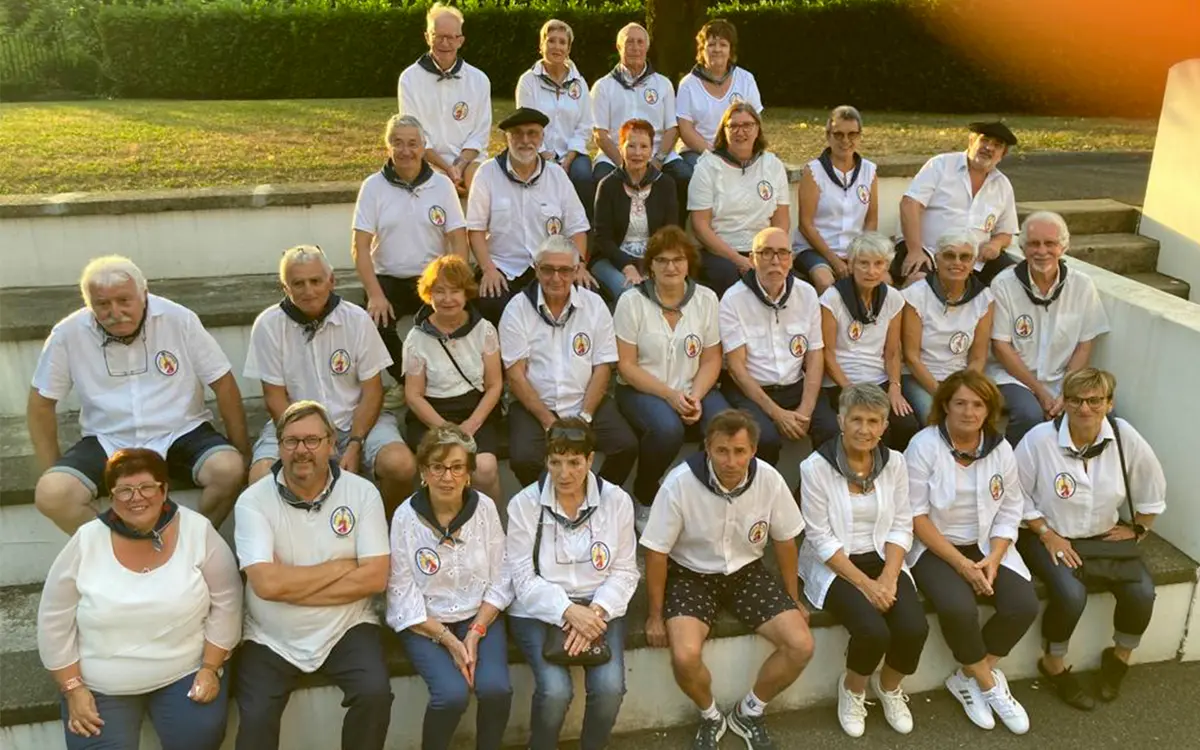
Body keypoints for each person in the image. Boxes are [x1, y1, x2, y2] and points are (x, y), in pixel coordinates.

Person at [37, 448, 242, 750]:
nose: (137, 497)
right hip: (101, 684)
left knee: (199, 737)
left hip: (184, 670)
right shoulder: (86, 540)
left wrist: (211, 668)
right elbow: (54, 618)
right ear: (111, 496)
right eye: (125, 490)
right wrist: (72, 687)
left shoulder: (197, 529)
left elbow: (227, 598)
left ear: (164, 490)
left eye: (147, 487)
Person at [28, 255, 248, 535]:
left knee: (229, 469)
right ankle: (122, 552)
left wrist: (243, 450)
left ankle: (186, 545)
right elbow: (40, 403)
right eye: (103, 304)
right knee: (52, 494)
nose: (115, 312)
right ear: (89, 303)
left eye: (124, 300)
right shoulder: (68, 333)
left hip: (181, 429)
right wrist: (52, 468)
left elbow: (223, 382)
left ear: (144, 294)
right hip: (108, 438)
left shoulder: (178, 319)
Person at [641, 409, 813, 750]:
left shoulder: (769, 479)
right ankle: (710, 716)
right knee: (685, 656)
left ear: (753, 450)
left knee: (801, 645)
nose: (731, 461)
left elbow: (784, 541)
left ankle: (749, 712)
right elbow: (656, 552)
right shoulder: (679, 482)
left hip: (747, 573)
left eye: (739, 451)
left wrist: (793, 597)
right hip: (691, 575)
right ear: (707, 448)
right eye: (722, 451)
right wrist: (655, 615)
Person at [234, 401, 393, 750]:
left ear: (331, 444)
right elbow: (265, 584)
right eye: (291, 441)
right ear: (279, 447)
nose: (301, 450)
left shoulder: (362, 493)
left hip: (346, 626)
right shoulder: (252, 501)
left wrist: (288, 584)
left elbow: (375, 579)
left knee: (375, 694)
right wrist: (339, 568)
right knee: (257, 716)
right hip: (270, 636)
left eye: (311, 440)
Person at [1015, 368, 1165, 710]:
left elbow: (1153, 488)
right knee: (1070, 594)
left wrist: (1138, 528)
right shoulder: (1039, 440)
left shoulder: (1124, 437)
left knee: (1142, 592)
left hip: (1104, 537)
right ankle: (1053, 663)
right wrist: (1047, 534)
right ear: (1063, 403)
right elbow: (1015, 496)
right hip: (1048, 536)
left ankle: (1120, 657)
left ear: (1109, 404)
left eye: (1095, 400)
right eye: (1075, 400)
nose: (1085, 409)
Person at [905, 371, 1036, 733]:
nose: (968, 411)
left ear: (988, 409)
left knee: (1023, 605)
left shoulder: (1001, 448)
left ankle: (967, 676)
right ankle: (990, 685)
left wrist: (994, 557)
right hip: (935, 547)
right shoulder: (923, 446)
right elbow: (916, 517)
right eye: (960, 403)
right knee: (958, 608)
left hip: (985, 545)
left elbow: (1011, 509)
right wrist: (961, 564)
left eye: (978, 404)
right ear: (945, 404)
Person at [245, 245, 416, 520]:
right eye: (298, 283)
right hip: (294, 423)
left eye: (316, 280)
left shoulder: (357, 320)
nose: (308, 290)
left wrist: (355, 443)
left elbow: (373, 392)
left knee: (401, 465)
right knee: (260, 476)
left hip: (356, 421)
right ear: (285, 287)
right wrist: (311, 444)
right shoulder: (268, 325)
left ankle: (379, 530)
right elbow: (274, 397)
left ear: (331, 281)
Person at [798, 384, 927, 738]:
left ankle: (888, 687)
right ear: (841, 420)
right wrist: (867, 585)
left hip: (884, 560)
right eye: (856, 419)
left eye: (874, 421)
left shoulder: (895, 463)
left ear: (885, 426)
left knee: (915, 628)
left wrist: (889, 576)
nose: (864, 429)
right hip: (835, 564)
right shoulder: (815, 467)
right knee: (872, 631)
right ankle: (853, 690)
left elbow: (902, 524)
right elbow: (820, 538)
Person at [505, 419, 639, 750]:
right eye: (555, 462)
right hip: (538, 608)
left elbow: (625, 570)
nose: (564, 474)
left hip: (599, 604)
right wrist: (567, 611)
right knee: (555, 690)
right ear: (546, 461)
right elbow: (521, 577)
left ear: (590, 460)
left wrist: (594, 612)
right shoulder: (524, 504)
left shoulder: (616, 501)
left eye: (574, 462)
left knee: (610, 688)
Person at [387, 425, 512, 750]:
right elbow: (401, 592)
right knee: (451, 695)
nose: (447, 477)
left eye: (457, 467)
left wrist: (474, 632)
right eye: (438, 467)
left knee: (496, 689)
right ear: (424, 472)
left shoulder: (483, 508)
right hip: (425, 623)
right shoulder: (405, 518)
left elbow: (502, 574)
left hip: (479, 617)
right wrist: (448, 640)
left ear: (469, 473)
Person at [498, 235, 638, 488]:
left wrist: (585, 416)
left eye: (564, 270)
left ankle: (594, 500)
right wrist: (548, 421)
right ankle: (547, 505)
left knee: (625, 446)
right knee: (523, 459)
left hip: (585, 402)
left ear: (576, 271)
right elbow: (516, 376)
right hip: (536, 406)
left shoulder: (594, 305)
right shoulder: (516, 309)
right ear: (536, 270)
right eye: (548, 269)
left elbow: (602, 367)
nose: (556, 278)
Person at [613, 227, 729, 529]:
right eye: (662, 260)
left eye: (678, 259)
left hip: (695, 386)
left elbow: (712, 357)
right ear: (650, 265)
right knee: (667, 429)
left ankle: (707, 495)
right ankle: (645, 495)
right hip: (643, 389)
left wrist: (696, 395)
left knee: (725, 426)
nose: (671, 267)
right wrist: (670, 395)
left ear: (689, 262)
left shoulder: (706, 299)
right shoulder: (631, 301)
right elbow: (626, 365)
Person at [352, 114, 468, 390]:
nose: (405, 151)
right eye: (398, 143)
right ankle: (407, 386)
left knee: (460, 316)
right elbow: (360, 246)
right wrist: (376, 295)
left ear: (423, 146)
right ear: (387, 147)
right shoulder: (373, 187)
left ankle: (453, 384)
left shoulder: (441, 185)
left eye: (413, 144)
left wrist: (455, 283)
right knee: (373, 323)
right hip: (388, 278)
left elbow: (458, 238)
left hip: (431, 278)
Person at [988, 211, 1109, 446]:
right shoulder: (1003, 285)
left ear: (1063, 247)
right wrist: (1041, 393)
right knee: (1029, 414)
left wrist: (1066, 391)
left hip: (1062, 379)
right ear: (1023, 249)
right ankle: (1016, 477)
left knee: (1104, 415)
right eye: (1034, 244)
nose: (1042, 251)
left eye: (1050, 243)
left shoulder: (1082, 285)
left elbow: (1084, 345)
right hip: (1012, 379)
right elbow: (1001, 347)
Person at [720, 227, 837, 464]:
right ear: (752, 258)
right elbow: (736, 368)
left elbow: (815, 356)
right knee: (765, 440)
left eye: (783, 253)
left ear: (791, 260)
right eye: (766, 253)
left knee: (831, 431)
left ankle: (806, 496)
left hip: (796, 385)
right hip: (751, 392)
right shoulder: (733, 299)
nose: (776, 260)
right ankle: (766, 497)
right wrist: (777, 414)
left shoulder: (807, 294)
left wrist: (805, 409)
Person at [467, 106, 593, 324]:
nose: (525, 140)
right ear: (506, 138)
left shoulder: (557, 175)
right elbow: (475, 230)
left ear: (542, 137)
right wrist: (488, 269)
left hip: (550, 269)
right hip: (503, 268)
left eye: (532, 133)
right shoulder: (487, 174)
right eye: (517, 133)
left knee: (588, 295)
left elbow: (578, 228)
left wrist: (578, 265)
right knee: (490, 302)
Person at [402, 255, 504, 502]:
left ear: (466, 293)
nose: (448, 299)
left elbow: (494, 385)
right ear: (429, 294)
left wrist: (470, 425)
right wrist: (445, 430)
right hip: (432, 416)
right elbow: (413, 395)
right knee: (442, 467)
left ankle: (492, 527)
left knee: (486, 467)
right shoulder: (416, 338)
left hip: (476, 412)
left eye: (455, 291)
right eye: (439, 291)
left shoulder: (484, 330)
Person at [819, 232, 920, 451]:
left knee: (906, 424)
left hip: (878, 380)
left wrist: (894, 387)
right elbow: (827, 354)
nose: (871, 271)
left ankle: (891, 478)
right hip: (841, 382)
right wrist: (849, 389)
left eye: (878, 264)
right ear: (852, 263)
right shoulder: (832, 298)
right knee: (863, 429)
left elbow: (892, 352)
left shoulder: (893, 298)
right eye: (864, 263)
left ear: (886, 266)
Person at [894, 121, 1019, 287]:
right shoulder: (941, 165)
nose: (989, 148)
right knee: (919, 283)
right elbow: (909, 204)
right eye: (984, 140)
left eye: (997, 145)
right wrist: (915, 250)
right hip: (929, 252)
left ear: (1002, 154)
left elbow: (1006, 232)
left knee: (1014, 281)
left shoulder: (1002, 184)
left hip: (975, 261)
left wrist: (995, 244)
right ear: (971, 141)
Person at [590, 23, 692, 217]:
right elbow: (600, 135)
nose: (635, 47)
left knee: (685, 176)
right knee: (599, 179)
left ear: (647, 47)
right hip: (616, 157)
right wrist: (626, 164)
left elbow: (672, 129)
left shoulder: (663, 84)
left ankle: (675, 237)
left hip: (658, 155)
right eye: (629, 42)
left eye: (640, 42)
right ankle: (605, 238)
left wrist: (657, 162)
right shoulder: (603, 87)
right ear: (619, 47)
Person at [689, 103, 790, 297]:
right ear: (723, 131)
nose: (740, 131)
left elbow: (781, 221)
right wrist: (738, 259)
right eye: (733, 126)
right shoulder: (707, 167)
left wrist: (768, 255)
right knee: (731, 278)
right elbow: (700, 226)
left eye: (747, 125)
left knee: (787, 280)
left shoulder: (773, 165)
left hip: (764, 250)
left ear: (757, 129)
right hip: (720, 252)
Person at [900, 230, 994, 424]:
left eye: (965, 257)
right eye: (949, 256)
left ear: (973, 263)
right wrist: (944, 395)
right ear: (937, 259)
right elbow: (911, 357)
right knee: (934, 415)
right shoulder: (915, 296)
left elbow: (978, 357)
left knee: (980, 415)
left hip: (960, 377)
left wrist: (963, 389)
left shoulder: (984, 298)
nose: (957, 263)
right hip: (919, 378)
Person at [397, 3, 491, 195]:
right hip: (426, 160)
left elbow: (479, 135)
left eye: (451, 37)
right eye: (438, 36)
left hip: (468, 163)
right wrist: (447, 170)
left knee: (480, 183)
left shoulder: (479, 79)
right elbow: (414, 135)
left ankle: (478, 226)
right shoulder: (409, 79)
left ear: (461, 40)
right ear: (427, 37)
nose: (445, 43)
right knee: (437, 185)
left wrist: (459, 166)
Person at [590, 119, 680, 301]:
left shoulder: (665, 184)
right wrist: (627, 266)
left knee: (666, 289)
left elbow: (671, 232)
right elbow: (602, 238)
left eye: (644, 146)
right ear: (621, 148)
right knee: (631, 293)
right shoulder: (607, 185)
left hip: (655, 259)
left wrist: (652, 265)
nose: (637, 153)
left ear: (651, 150)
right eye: (631, 146)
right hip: (612, 260)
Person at [794, 106, 879, 294]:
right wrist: (834, 260)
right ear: (828, 135)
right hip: (816, 250)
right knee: (826, 283)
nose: (845, 141)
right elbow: (805, 225)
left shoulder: (869, 171)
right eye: (838, 134)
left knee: (883, 282)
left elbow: (871, 220)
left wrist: (859, 255)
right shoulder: (814, 171)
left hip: (854, 251)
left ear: (860, 135)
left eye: (852, 134)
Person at [516, 19, 595, 215]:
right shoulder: (528, 81)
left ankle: (585, 233)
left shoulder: (580, 83)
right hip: (534, 150)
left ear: (568, 49)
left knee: (583, 176)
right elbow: (527, 123)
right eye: (551, 41)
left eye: (562, 42)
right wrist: (545, 155)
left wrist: (569, 158)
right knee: (540, 178)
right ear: (541, 45)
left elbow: (584, 126)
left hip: (572, 153)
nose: (556, 47)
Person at [675, 19, 763, 168]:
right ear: (702, 49)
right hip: (697, 153)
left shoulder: (746, 79)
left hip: (738, 150)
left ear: (730, 50)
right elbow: (685, 129)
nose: (717, 49)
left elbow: (756, 121)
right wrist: (714, 155)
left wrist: (740, 152)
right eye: (711, 44)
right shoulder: (688, 84)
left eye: (723, 44)